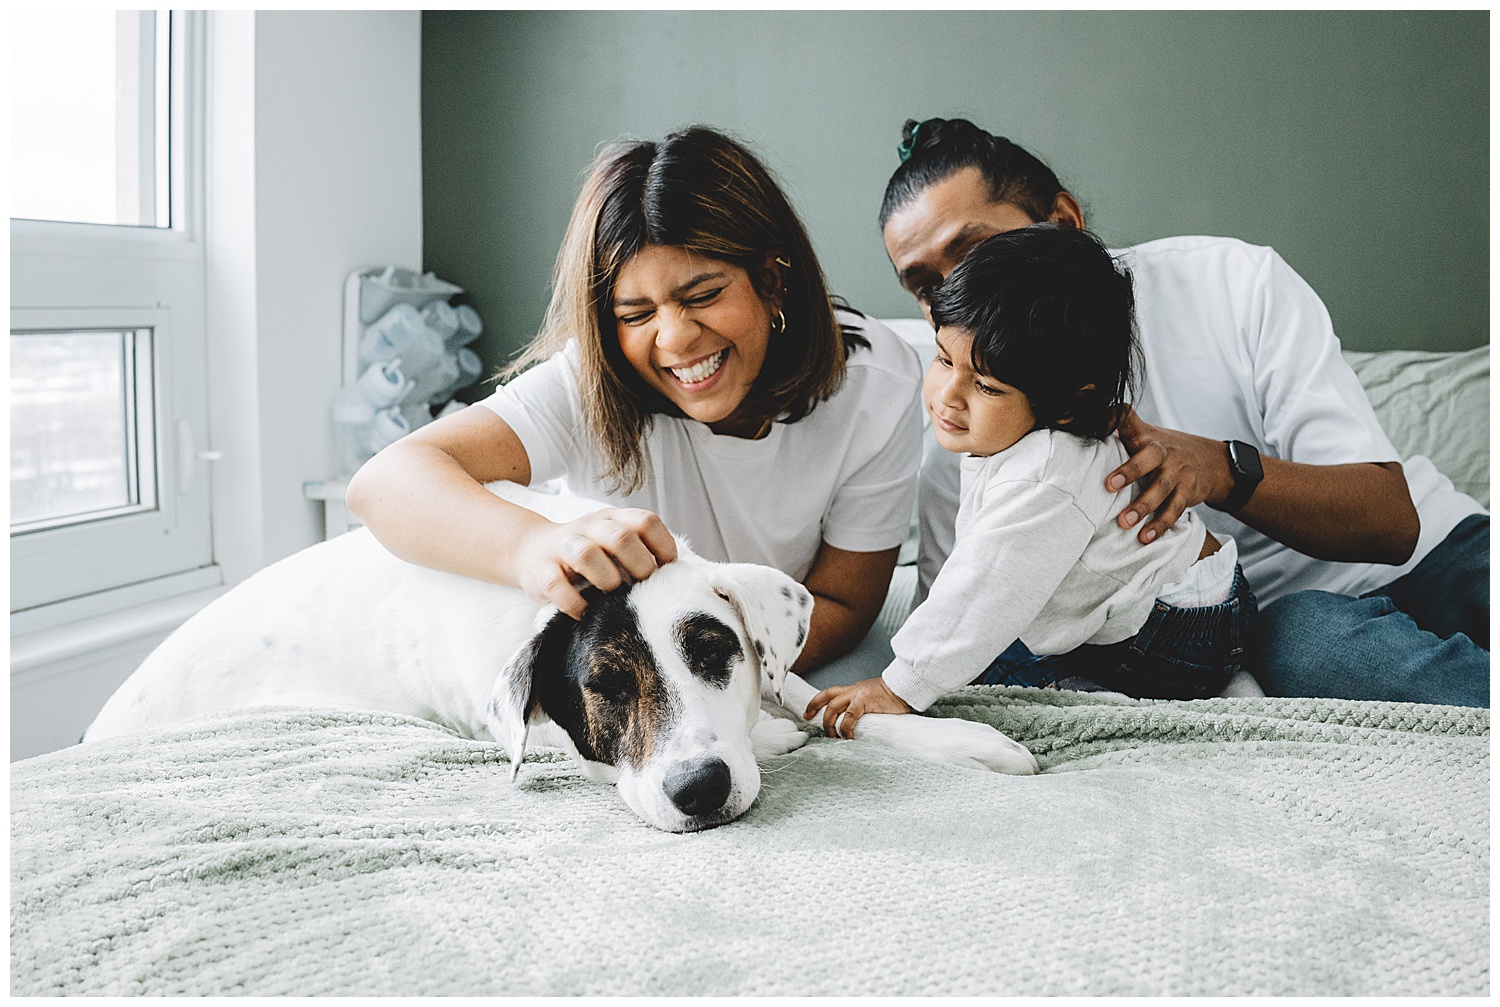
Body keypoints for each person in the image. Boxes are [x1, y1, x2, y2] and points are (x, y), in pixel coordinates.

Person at [877, 117, 1487, 707]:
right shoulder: (966, 448)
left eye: (977, 251)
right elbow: (959, 631)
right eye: (927, 286)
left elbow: (1392, 522)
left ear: (1064, 222)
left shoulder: (1233, 284)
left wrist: (1220, 469)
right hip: (1276, 626)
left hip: (1437, 553)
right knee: (1307, 644)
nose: (960, 292)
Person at [347, 126, 924, 674]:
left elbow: (843, 604)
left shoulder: (875, 381)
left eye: (703, 295)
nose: (674, 339)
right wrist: (531, 545)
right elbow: (383, 484)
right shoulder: (589, 381)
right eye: (636, 314)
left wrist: (719, 670)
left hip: (777, 650)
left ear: (772, 280)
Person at [806, 225, 1254, 736]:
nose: (948, 395)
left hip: (1187, 629)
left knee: (991, 676)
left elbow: (983, 590)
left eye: (986, 386)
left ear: (1067, 404)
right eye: (944, 359)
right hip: (1190, 607)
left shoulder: (1046, 472)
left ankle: (1145, 698)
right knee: (986, 652)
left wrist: (899, 686)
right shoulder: (1008, 439)